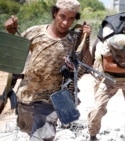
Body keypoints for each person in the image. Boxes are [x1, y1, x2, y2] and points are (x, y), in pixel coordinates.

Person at [4, 0, 91, 140]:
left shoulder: (74, 38)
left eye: (71, 19)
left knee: (43, 136)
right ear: (54, 13)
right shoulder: (34, 32)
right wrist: (11, 33)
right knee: (26, 127)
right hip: (27, 96)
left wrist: (86, 39)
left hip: (51, 101)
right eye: (62, 16)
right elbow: (14, 57)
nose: (65, 23)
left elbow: (86, 65)